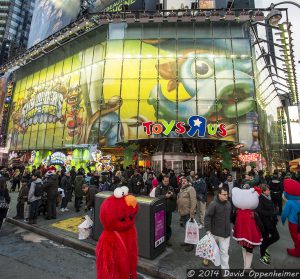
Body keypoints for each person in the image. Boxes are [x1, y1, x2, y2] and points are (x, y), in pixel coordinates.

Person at [204, 187, 231, 269]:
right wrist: (208, 230)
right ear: (219, 194)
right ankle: (206, 257)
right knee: (210, 247)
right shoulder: (213, 204)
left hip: (226, 234)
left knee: (224, 253)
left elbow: (231, 217)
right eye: (224, 194)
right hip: (214, 232)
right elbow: (207, 217)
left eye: (227, 194)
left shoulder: (229, 204)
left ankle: (225, 272)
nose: (226, 196)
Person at [256, 184, 280, 265]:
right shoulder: (260, 198)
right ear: (263, 191)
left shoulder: (268, 197)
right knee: (266, 238)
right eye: (267, 190)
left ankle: (263, 247)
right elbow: (259, 211)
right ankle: (262, 256)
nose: (269, 191)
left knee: (276, 237)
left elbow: (271, 207)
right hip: (265, 223)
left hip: (271, 222)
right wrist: (272, 213)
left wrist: (275, 211)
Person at [155, 175, 177, 246]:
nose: (166, 182)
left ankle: (167, 239)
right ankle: (160, 239)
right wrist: (165, 196)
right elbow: (157, 196)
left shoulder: (170, 187)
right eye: (165, 181)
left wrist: (171, 195)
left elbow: (175, 197)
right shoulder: (159, 187)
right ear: (162, 180)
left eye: (167, 181)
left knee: (168, 225)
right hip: (161, 210)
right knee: (160, 225)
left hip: (169, 210)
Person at [177, 177, 197, 252]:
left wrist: (192, 212)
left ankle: (191, 245)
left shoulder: (191, 189)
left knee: (190, 229)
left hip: (188, 212)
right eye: (182, 181)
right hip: (182, 212)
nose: (183, 182)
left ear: (188, 182)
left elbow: (193, 201)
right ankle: (187, 241)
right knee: (186, 228)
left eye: (185, 181)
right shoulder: (181, 189)